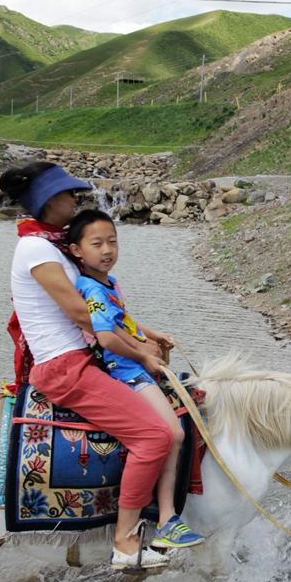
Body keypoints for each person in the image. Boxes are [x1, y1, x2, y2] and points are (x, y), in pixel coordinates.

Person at [0, 161, 192, 571]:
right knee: (156, 437)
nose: (73, 200)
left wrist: (146, 336)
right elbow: (82, 315)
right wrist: (140, 350)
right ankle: (125, 540)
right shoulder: (35, 248)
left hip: (85, 358)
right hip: (66, 366)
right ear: (49, 201)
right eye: (68, 195)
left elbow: (106, 312)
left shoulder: (50, 244)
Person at [65, 208, 203, 550]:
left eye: (112, 241)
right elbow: (107, 338)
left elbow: (123, 323)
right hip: (125, 373)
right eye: (96, 243)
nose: (107, 250)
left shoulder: (108, 283)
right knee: (172, 433)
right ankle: (167, 517)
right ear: (76, 250)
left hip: (133, 366)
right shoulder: (93, 292)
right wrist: (144, 356)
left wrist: (153, 333)